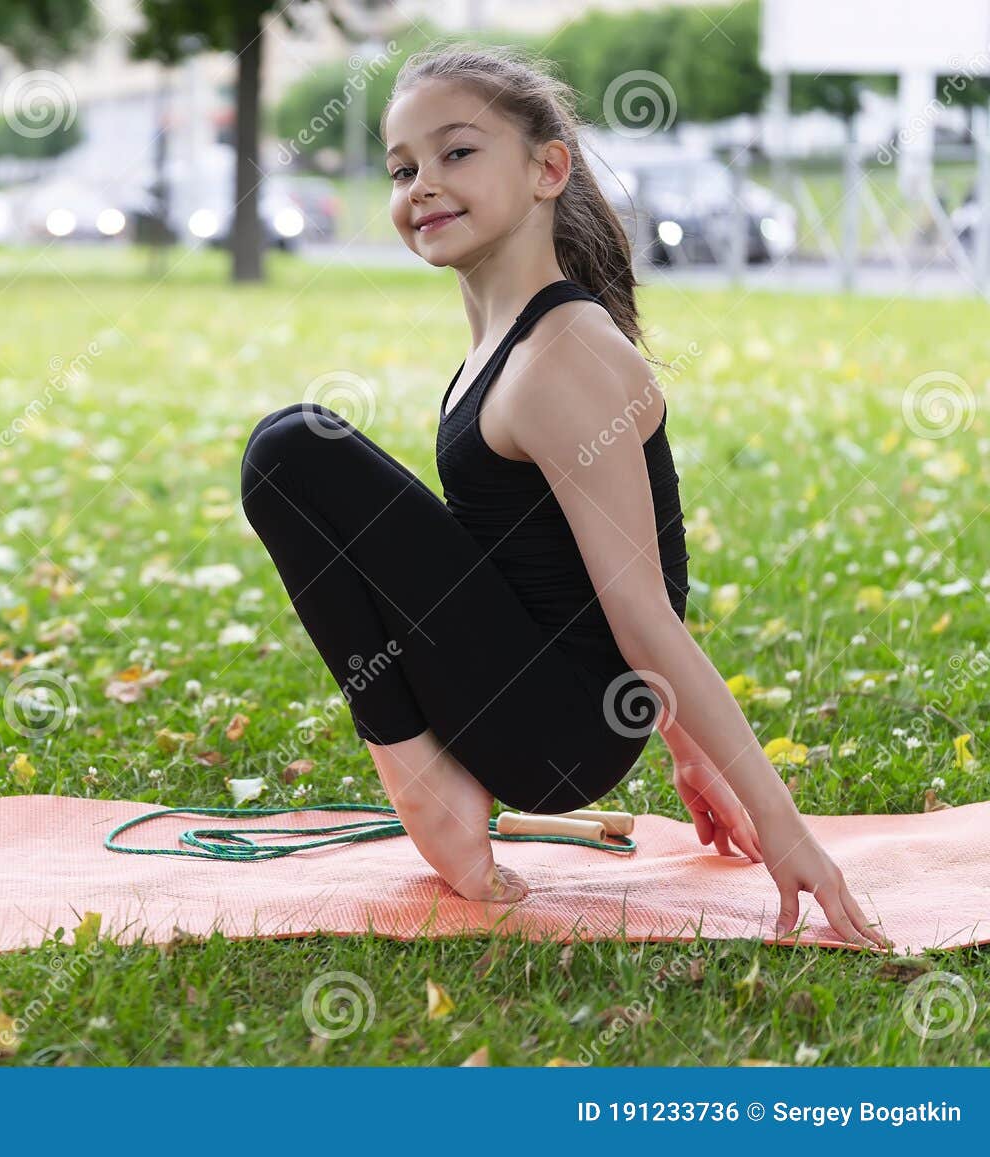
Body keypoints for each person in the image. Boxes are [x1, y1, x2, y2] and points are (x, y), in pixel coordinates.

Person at [239, 42, 889, 949]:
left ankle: (425, 783)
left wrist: (783, 826)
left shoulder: (564, 356)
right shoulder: (498, 346)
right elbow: (548, 565)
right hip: (538, 702)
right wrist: (689, 756)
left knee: (292, 450)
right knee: (295, 456)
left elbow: (643, 611)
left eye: (457, 152)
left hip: (558, 726)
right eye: (402, 167)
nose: (422, 183)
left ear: (548, 168)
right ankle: (431, 772)